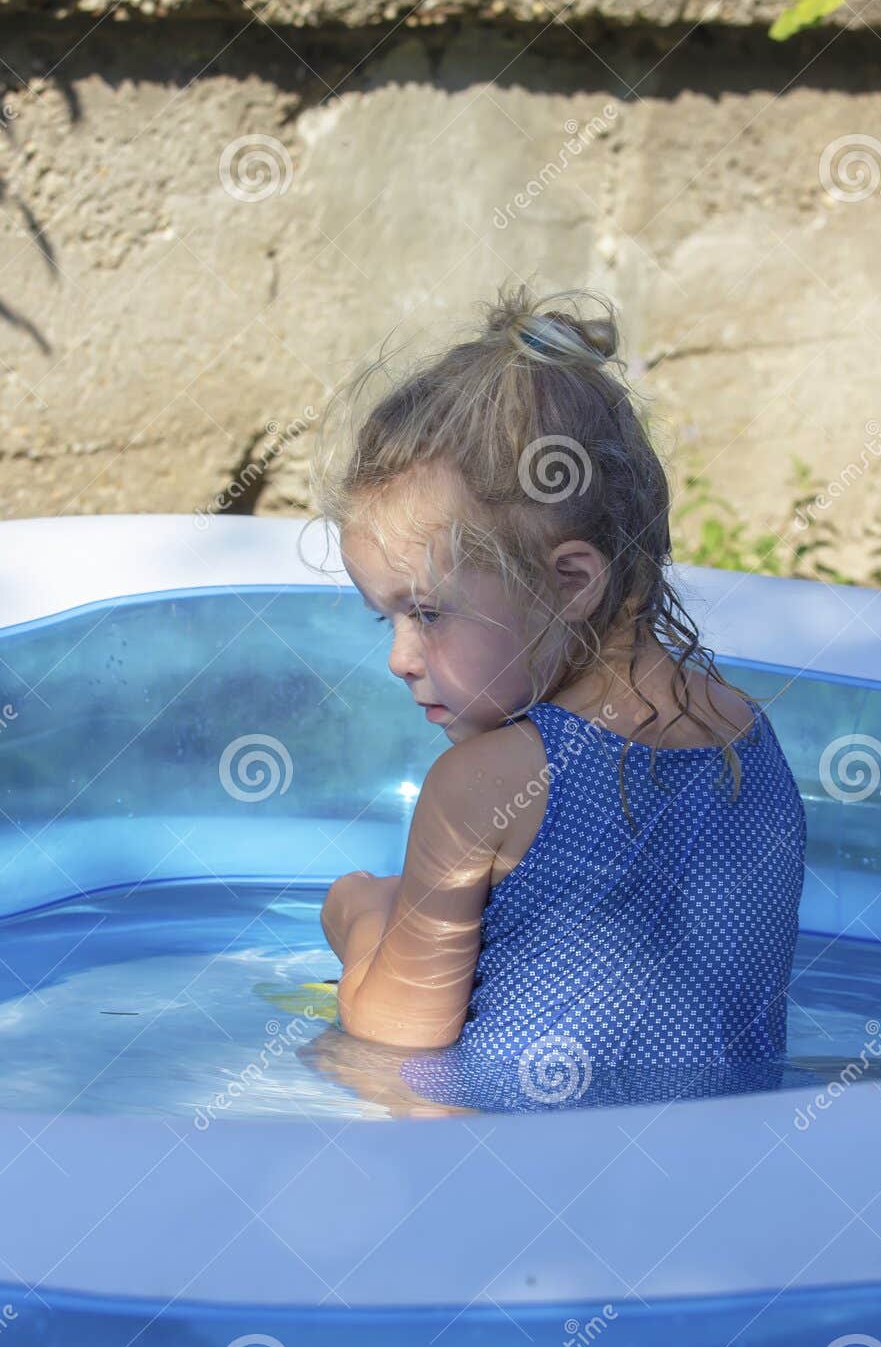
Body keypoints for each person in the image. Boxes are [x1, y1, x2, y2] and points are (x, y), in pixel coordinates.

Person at [305, 282, 807, 1112]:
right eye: (386, 618)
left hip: (520, 1188)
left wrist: (360, 915)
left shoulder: (484, 785)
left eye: (426, 613)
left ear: (570, 580)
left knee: (336, 1058)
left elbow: (395, 1035)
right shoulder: (746, 736)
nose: (399, 657)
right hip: (723, 1173)